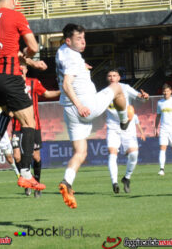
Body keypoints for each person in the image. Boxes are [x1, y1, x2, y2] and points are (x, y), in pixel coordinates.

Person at [56, 23, 133, 209]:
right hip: (84, 105)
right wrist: (80, 104)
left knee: (80, 152)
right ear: (68, 40)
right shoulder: (73, 58)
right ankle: (124, 120)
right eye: (78, 39)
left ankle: (67, 182)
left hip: (69, 111)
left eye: (83, 38)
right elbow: (67, 84)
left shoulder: (62, 51)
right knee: (117, 88)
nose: (83, 42)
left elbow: (68, 65)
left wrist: (82, 66)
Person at [0, 0, 46, 192]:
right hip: (8, 76)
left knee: (8, 111)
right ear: (12, 0)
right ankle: (26, 174)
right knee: (29, 122)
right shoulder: (15, 15)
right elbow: (33, 46)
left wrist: (30, 64)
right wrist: (29, 55)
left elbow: (4, 49)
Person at [11, 64, 60, 197]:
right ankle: (26, 179)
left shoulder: (33, 82)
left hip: (34, 125)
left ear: (26, 70)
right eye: (18, 68)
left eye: (23, 68)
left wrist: (63, 91)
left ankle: (36, 183)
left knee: (36, 157)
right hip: (16, 126)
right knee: (16, 156)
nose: (21, 70)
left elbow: (47, 93)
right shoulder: (10, 84)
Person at [105, 69, 149, 194]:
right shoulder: (104, 93)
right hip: (113, 127)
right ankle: (114, 182)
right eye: (110, 75)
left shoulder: (125, 88)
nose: (112, 77)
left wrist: (144, 97)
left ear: (119, 77)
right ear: (107, 78)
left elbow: (139, 97)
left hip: (128, 126)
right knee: (112, 153)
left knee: (134, 154)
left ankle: (126, 178)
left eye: (114, 75)